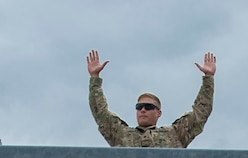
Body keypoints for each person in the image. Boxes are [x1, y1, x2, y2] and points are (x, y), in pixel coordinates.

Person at [86, 48, 215, 147]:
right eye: (139, 107)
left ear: (158, 113)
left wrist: (208, 78)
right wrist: (94, 78)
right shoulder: (121, 134)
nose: (142, 110)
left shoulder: (175, 134)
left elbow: (200, 114)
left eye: (148, 107)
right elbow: (100, 113)